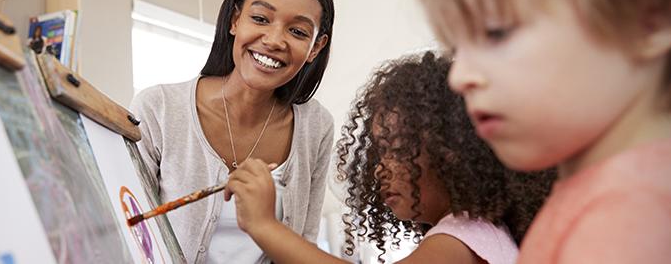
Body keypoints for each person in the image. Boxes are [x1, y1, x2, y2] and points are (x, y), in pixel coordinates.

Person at [413, 0, 671, 262]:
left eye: (496, 31)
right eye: (455, 47)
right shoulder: (601, 199)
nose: (459, 76)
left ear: (653, 21)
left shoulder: (634, 215)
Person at [226, 52, 555, 264]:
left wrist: (264, 225)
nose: (380, 168)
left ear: (452, 154)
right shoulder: (477, 233)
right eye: (378, 153)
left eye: (398, 149)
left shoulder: (466, 235)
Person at [129, 0, 335, 263]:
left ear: (315, 48)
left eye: (297, 31)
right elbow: (133, 231)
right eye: (261, 18)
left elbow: (303, 245)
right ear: (235, 20)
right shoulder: (158, 108)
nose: (274, 39)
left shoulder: (316, 127)